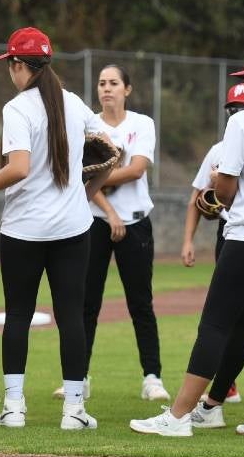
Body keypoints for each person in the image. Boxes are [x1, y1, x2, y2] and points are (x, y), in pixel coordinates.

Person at [130, 48, 244, 437]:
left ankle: (178, 417)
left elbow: (225, 190)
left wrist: (217, 182)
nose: (243, 86)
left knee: (215, 325)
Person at [0, 27, 111, 430]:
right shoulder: (73, 103)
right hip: (73, 228)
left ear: (19, 65)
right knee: (71, 316)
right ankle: (73, 410)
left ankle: (14, 407)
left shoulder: (18, 108)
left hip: (24, 230)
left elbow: (18, 168)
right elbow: (110, 154)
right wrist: (85, 194)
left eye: (11, 65)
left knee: (18, 316)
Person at [58, 63, 167, 402]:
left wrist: (100, 171)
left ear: (127, 90)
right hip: (94, 221)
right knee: (87, 303)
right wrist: (109, 210)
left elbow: (135, 170)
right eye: (103, 83)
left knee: (140, 303)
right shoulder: (87, 124)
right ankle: (79, 378)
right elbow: (81, 174)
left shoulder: (141, 124)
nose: (107, 88)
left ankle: (152, 377)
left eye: (114, 83)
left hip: (135, 221)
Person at [181, 84, 244, 406]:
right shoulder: (220, 148)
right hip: (229, 233)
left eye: (241, 107)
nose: (235, 114)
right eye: (232, 109)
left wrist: (220, 184)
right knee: (232, 315)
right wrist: (188, 241)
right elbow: (198, 198)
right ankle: (228, 386)